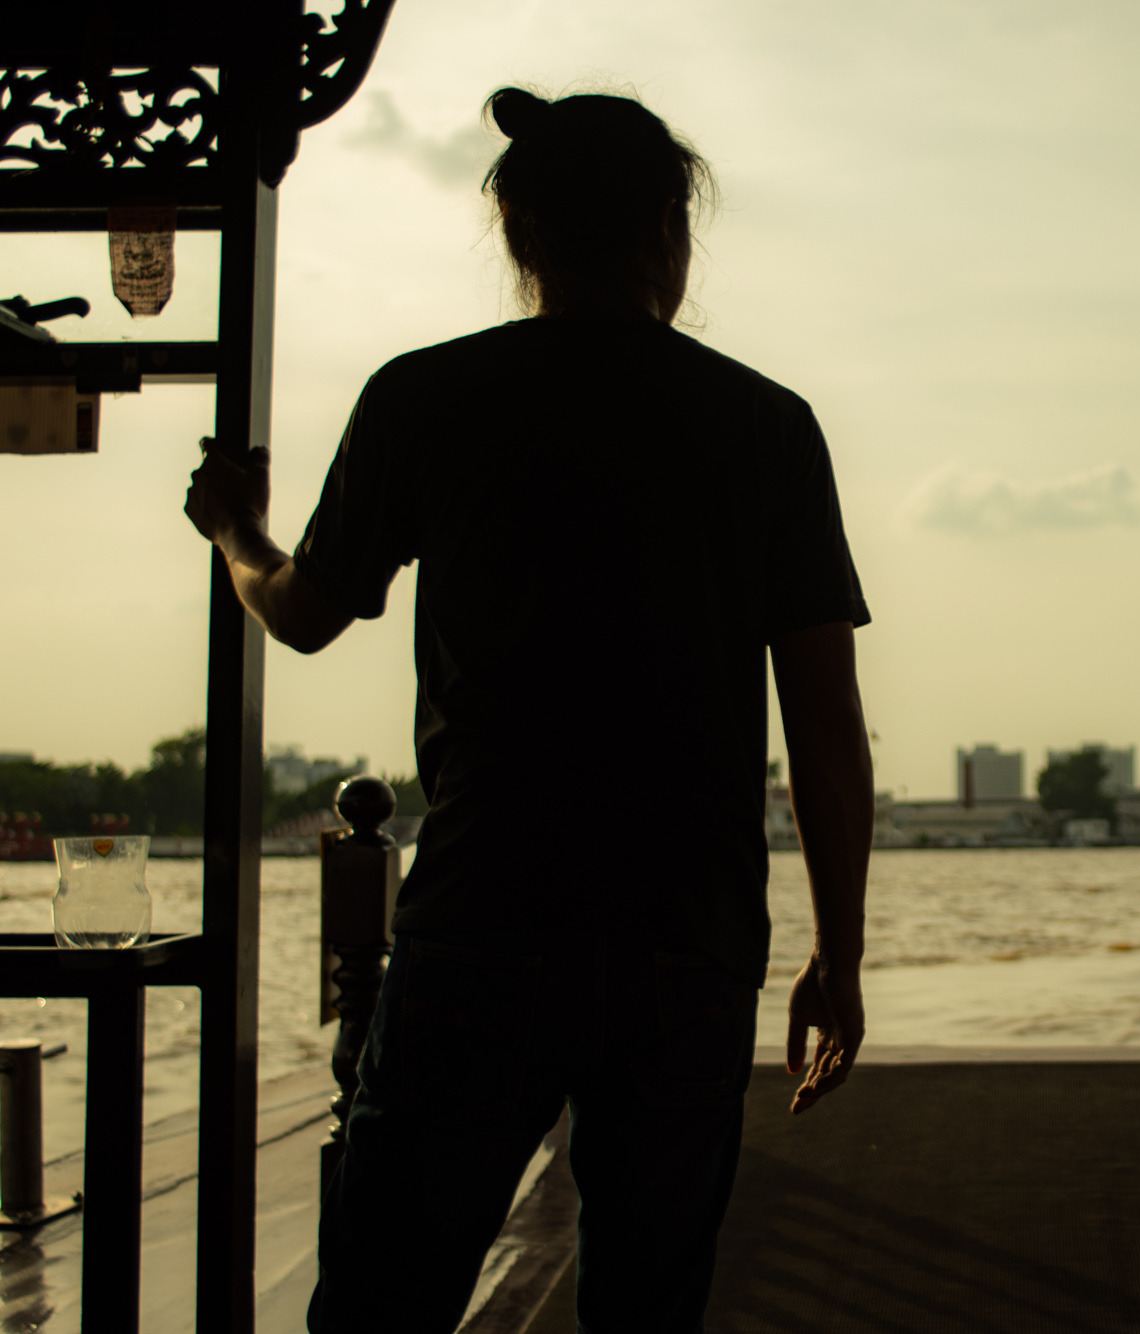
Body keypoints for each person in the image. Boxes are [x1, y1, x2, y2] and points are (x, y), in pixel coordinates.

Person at [182, 87, 874, 1332]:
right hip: (689, 934)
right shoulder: (764, 426)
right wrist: (839, 949)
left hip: (485, 916)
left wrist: (234, 527)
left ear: (519, 235)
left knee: (385, 1297)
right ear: (673, 232)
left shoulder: (427, 399)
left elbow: (300, 610)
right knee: (646, 1299)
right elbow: (825, 721)